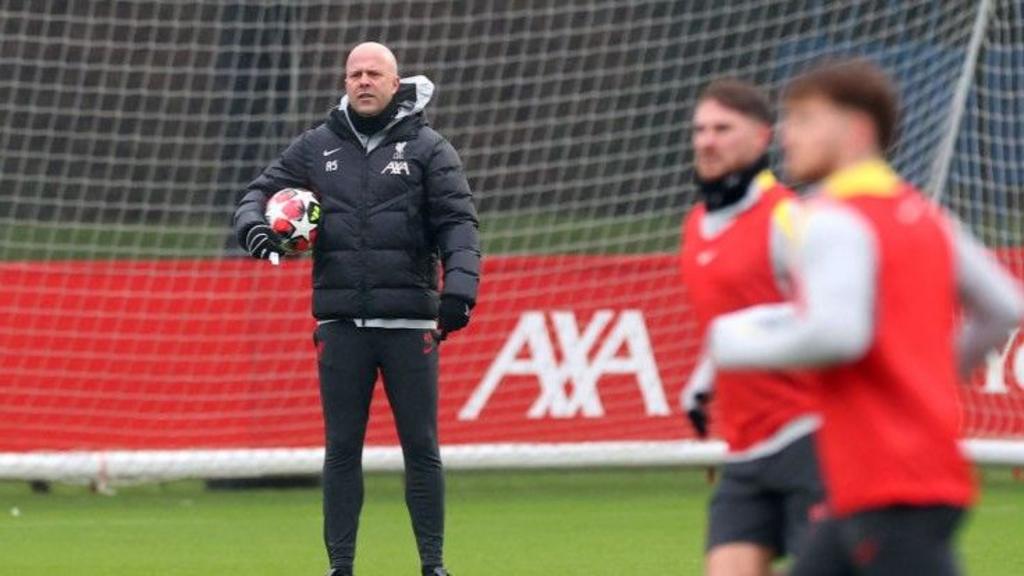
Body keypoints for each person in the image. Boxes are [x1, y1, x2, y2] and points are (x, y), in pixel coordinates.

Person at [707, 59, 1024, 575]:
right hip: (890, 481)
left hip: (888, 483)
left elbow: (839, 333)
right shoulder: (923, 214)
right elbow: (1006, 307)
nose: (788, 135)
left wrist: (734, 342)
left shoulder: (832, 217)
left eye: (806, 119)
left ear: (857, 130)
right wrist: (936, 376)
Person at [233, 42, 480, 576]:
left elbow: (459, 224)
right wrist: (253, 227)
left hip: (411, 321)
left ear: (396, 83)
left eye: (374, 73)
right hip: (341, 325)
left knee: (422, 449)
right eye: (355, 74)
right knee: (341, 451)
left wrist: (460, 288)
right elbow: (257, 193)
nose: (363, 81)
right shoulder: (317, 145)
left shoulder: (431, 149)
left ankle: (433, 566)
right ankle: (339, 568)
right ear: (345, 83)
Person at [679, 79, 823, 575]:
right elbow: (726, 327)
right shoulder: (696, 223)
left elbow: (833, 317)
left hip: (812, 437)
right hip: (744, 448)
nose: (707, 140)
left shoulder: (788, 217)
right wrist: (704, 379)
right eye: (700, 129)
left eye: (723, 128)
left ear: (763, 137)